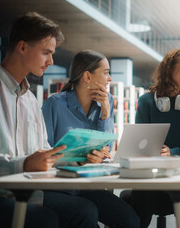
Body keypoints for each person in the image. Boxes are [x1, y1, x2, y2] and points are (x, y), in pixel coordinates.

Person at [0, 12, 97, 228]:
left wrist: (79, 158)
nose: (51, 61)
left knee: (86, 211)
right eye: (46, 53)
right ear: (22, 47)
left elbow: (43, 150)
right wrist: (25, 164)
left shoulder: (30, 99)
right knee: (46, 220)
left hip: (29, 193)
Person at [42, 50, 140, 228]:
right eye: (106, 72)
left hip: (87, 186)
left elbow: (106, 149)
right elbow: (41, 152)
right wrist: (77, 162)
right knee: (88, 213)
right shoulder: (55, 104)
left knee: (130, 220)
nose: (109, 78)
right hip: (59, 187)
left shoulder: (106, 101)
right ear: (87, 76)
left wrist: (106, 112)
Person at [122, 49, 180, 228]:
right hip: (151, 174)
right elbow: (140, 142)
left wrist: (172, 153)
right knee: (143, 196)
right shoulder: (146, 101)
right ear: (169, 70)